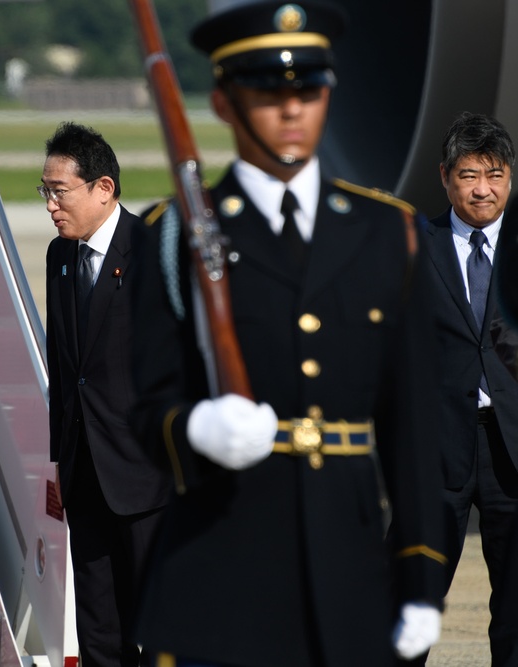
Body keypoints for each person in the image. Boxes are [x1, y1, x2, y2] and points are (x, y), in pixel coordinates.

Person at [129, 3, 447, 665]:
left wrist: (420, 580)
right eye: (269, 93)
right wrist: (195, 430)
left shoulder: (391, 233)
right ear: (223, 103)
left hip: (351, 582)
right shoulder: (171, 233)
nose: (293, 109)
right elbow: (142, 410)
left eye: (309, 90)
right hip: (222, 574)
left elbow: (413, 426)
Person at [43, 121, 170, 667]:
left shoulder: (155, 253)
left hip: (148, 477)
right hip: (86, 472)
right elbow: (64, 367)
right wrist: (58, 462)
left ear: (103, 189)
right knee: (98, 628)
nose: (51, 205)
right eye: (44, 192)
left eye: (60, 191)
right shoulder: (60, 256)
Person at [422, 111, 518, 665]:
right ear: (445, 176)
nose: (482, 189)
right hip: (437, 448)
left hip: (513, 451)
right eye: (468, 175)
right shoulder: (414, 245)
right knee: (410, 596)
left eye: (495, 174)